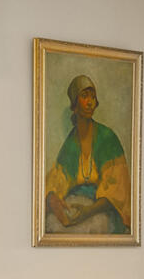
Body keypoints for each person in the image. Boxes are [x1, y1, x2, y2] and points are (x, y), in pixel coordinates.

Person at [44, 73, 131, 236]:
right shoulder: (71, 143)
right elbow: (57, 181)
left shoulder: (107, 137)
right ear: (75, 104)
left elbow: (118, 190)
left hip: (101, 209)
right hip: (76, 205)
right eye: (84, 96)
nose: (90, 102)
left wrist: (89, 211)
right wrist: (52, 198)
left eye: (93, 97)